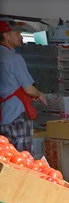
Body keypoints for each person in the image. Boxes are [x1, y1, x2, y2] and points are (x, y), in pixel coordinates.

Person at [0, 21, 46, 152]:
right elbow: (29, 89)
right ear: (6, 36)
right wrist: (40, 95)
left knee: (6, 157)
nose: (21, 37)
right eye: (17, 33)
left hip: (3, 115)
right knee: (21, 156)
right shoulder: (14, 58)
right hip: (16, 116)